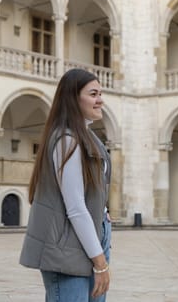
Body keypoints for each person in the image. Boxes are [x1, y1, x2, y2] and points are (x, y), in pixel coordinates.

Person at [20, 68, 112, 302]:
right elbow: (75, 207)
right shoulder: (67, 140)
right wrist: (100, 262)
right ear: (73, 97)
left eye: (100, 93)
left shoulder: (88, 137)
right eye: (93, 94)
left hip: (90, 241)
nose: (100, 99)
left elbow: (92, 191)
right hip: (67, 248)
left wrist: (103, 213)